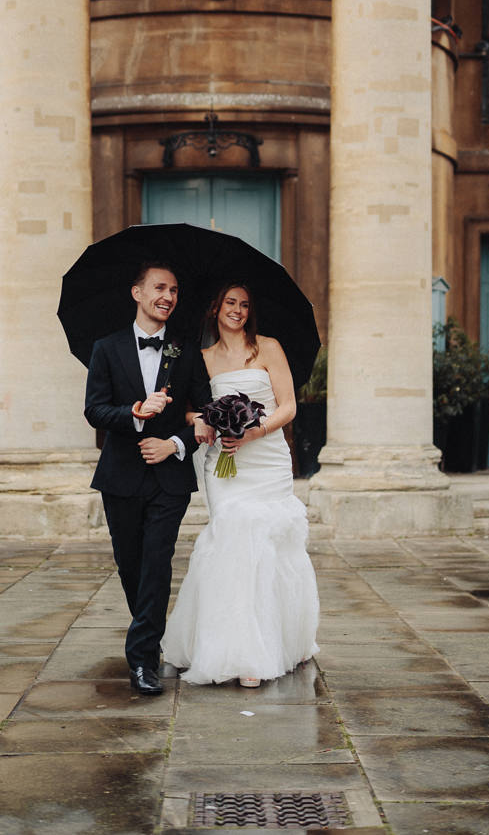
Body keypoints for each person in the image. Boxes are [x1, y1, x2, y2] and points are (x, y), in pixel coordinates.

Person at [161, 281, 320, 687]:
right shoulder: (202, 358)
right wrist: (206, 421)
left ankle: (276, 643)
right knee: (232, 540)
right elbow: (187, 411)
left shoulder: (268, 348)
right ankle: (232, 649)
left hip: (266, 460)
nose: (238, 310)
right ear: (216, 308)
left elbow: (288, 406)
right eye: (230, 302)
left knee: (270, 545)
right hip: (224, 465)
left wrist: (253, 432)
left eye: (245, 304)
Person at [84, 261, 211, 696]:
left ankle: (142, 659)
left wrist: (174, 443)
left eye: (173, 290)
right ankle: (150, 635)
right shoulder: (106, 348)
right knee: (131, 567)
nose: (168, 297)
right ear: (137, 293)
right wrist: (135, 414)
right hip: (120, 476)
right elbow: (94, 410)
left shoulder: (186, 350)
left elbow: (204, 411)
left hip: (169, 479)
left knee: (157, 564)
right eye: (159, 288)